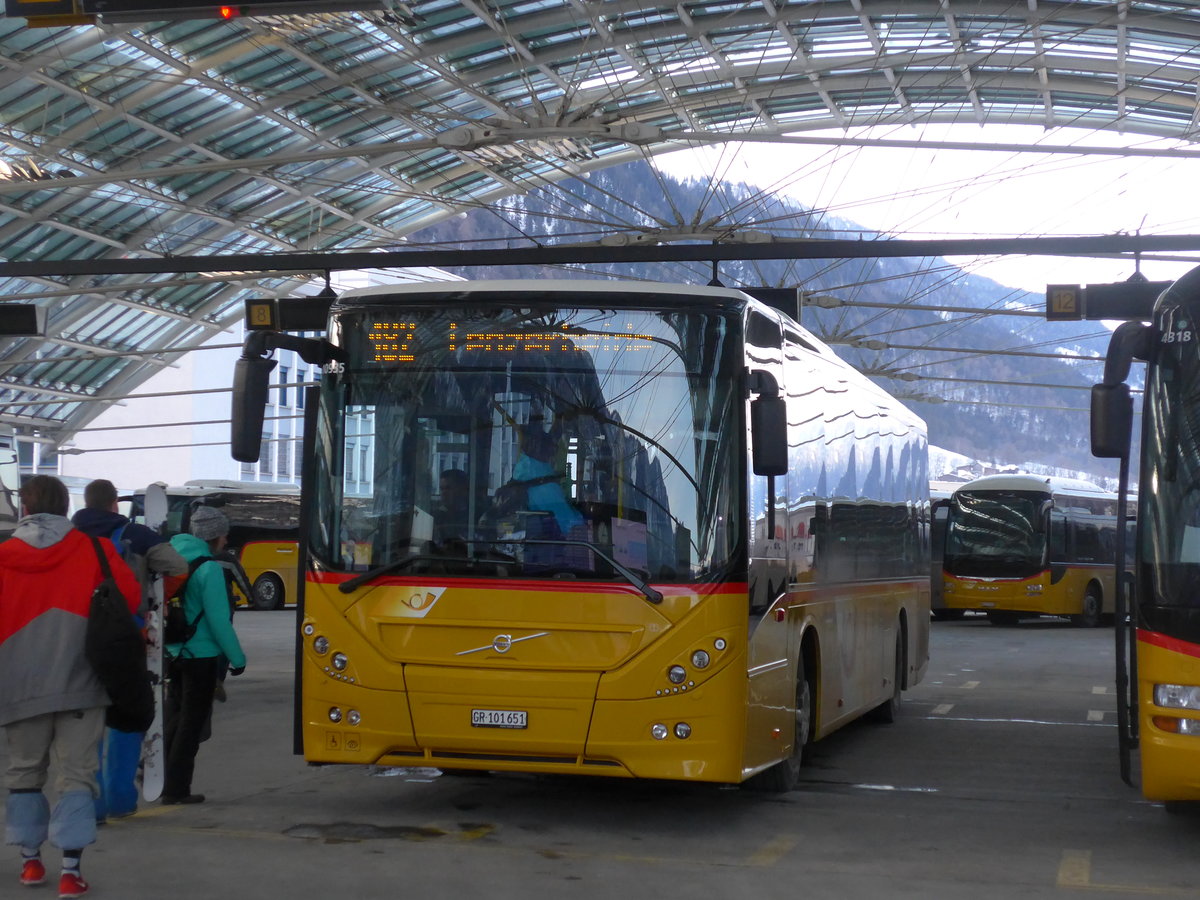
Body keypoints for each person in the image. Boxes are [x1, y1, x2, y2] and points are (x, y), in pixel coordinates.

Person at [0, 475, 140, 898]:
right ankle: (70, 872)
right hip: (83, 679)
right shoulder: (93, 548)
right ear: (66, 507)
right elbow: (129, 599)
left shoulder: (3, 554)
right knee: (77, 775)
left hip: (18, 682)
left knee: (24, 771)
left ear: (24, 508)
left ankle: (29, 864)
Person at [71, 479, 188, 821]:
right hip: (125, 636)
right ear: (113, 504)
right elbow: (178, 567)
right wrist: (155, 597)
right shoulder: (135, 535)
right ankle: (120, 799)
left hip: (77, 634)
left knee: (84, 722)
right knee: (125, 717)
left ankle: (89, 805)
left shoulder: (67, 539)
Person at [162, 506, 246, 805]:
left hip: (173, 651)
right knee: (191, 723)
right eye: (223, 534)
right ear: (213, 536)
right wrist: (238, 658)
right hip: (201, 655)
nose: (225, 540)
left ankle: (159, 778)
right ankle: (176, 788)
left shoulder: (172, 557)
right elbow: (218, 620)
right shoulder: (208, 568)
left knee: (174, 716)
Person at [432, 468, 471, 544]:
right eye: (442, 489)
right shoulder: (435, 517)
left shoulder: (474, 516)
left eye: (448, 488)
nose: (443, 493)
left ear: (463, 490)